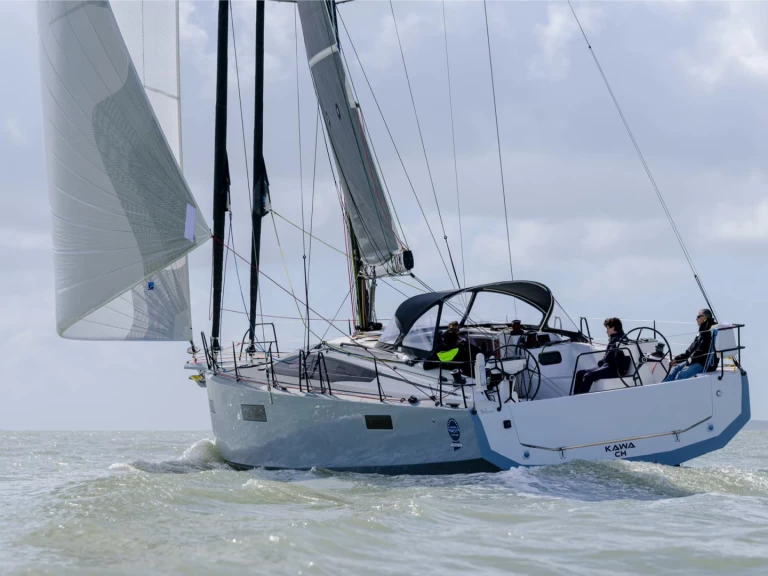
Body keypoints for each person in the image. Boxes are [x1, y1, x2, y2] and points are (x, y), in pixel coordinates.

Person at [574, 317, 626, 395]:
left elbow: (610, 357)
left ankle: (581, 399)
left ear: (613, 328)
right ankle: (575, 397)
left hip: (614, 369)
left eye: (607, 328)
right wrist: (603, 362)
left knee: (588, 376)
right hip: (608, 366)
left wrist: (601, 362)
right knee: (580, 373)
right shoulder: (615, 338)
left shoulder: (618, 340)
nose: (606, 331)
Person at [664, 309, 717, 382]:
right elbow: (690, 350)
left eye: (698, 316)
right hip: (695, 360)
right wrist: (677, 359)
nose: (696, 319)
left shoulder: (709, 331)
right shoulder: (701, 332)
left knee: (680, 375)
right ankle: (663, 390)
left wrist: (689, 360)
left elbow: (702, 351)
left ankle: (672, 392)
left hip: (703, 363)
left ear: (704, 317)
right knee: (675, 370)